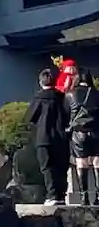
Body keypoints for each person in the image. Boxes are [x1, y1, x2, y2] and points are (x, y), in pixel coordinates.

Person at [28, 68, 71, 206]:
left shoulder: (38, 98)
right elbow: (68, 116)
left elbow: (30, 117)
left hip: (44, 137)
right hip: (61, 137)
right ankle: (61, 195)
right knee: (61, 167)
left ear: (41, 82)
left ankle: (52, 195)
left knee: (47, 167)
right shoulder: (62, 97)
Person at [66, 70, 99, 206]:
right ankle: (98, 197)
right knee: (97, 162)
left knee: (81, 163)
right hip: (96, 132)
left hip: (79, 133)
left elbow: (66, 114)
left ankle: (83, 197)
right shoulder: (97, 94)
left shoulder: (70, 95)